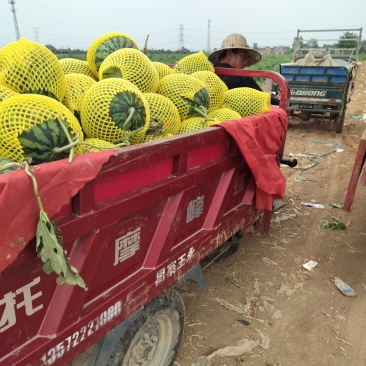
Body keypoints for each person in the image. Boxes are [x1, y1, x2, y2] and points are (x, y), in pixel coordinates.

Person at [208, 33, 279, 105]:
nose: (245, 62)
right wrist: (278, 100)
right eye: (243, 57)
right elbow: (265, 99)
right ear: (229, 54)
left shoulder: (210, 73)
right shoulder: (240, 75)